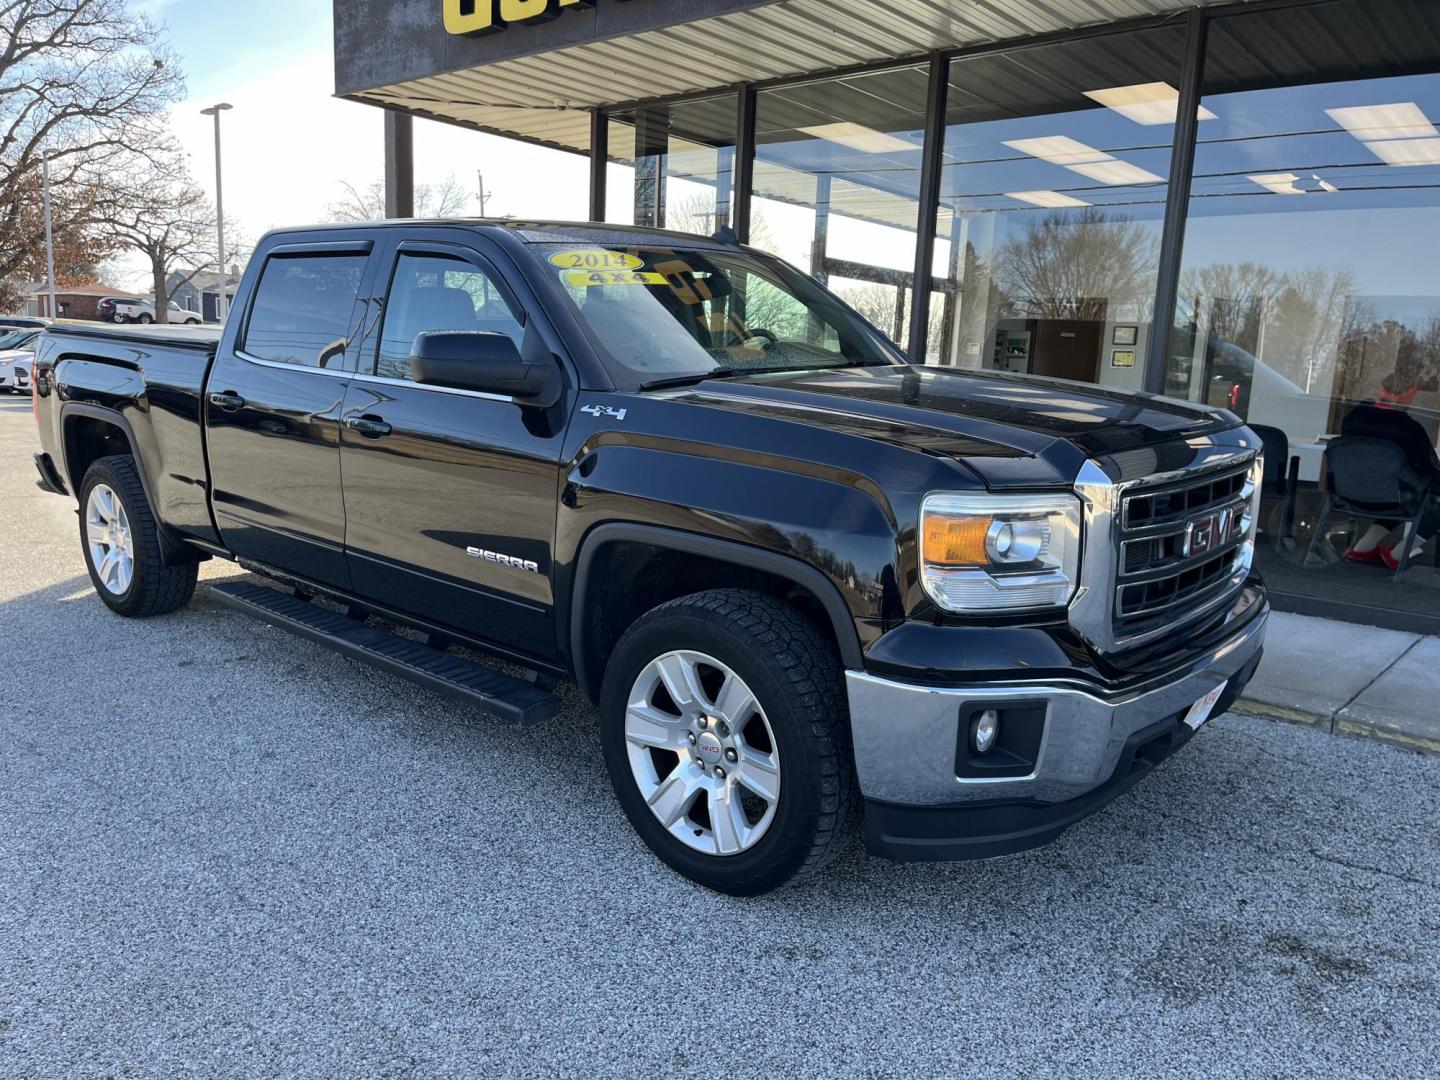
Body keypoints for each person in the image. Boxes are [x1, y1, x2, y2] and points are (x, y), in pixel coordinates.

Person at [1340, 373, 1440, 570]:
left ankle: (1363, 548)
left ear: (1382, 390)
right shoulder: (1410, 430)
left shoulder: (1353, 418)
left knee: (1391, 487)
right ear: (1407, 394)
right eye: (1413, 394)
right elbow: (1429, 468)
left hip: (1347, 491)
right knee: (1418, 495)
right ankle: (1397, 554)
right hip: (1390, 495)